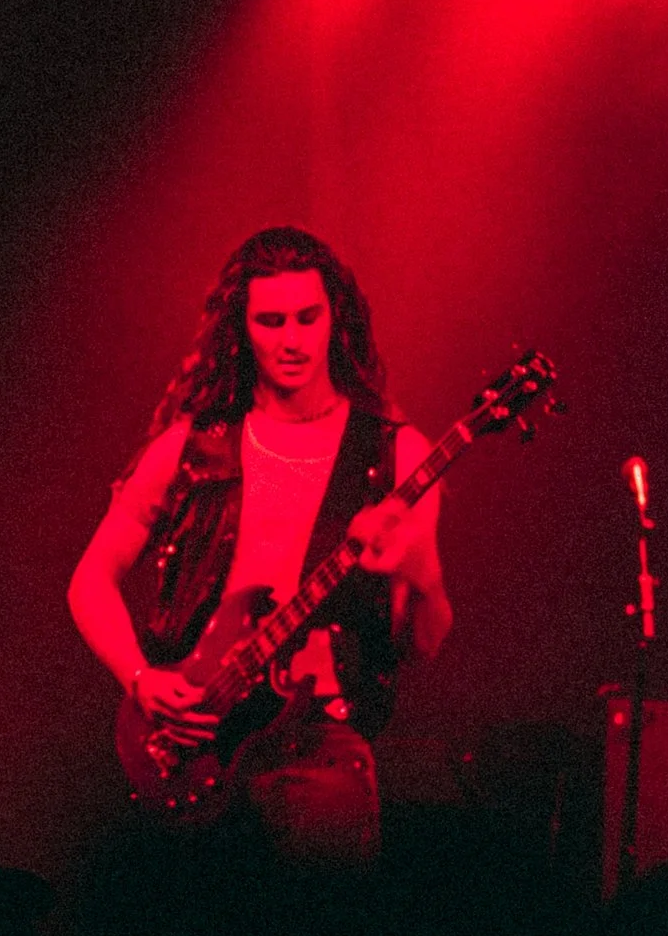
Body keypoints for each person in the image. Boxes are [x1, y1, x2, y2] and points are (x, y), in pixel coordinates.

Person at [68, 227, 449, 869]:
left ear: (336, 318)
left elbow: (426, 644)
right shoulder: (191, 448)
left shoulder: (396, 456)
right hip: (193, 735)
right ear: (241, 328)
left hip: (317, 748)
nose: (292, 339)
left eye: (308, 317)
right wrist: (139, 678)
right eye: (271, 321)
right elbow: (90, 581)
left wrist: (426, 575)